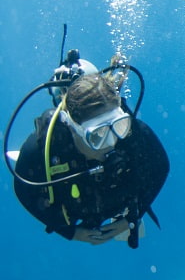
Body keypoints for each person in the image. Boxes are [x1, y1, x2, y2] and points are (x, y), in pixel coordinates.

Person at [10, 53, 169, 248]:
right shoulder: (39, 149)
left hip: (118, 202)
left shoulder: (130, 134)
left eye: (119, 126)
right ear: (72, 128)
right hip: (76, 209)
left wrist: (133, 217)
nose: (111, 143)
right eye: (97, 135)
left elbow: (161, 166)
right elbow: (24, 191)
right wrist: (69, 231)